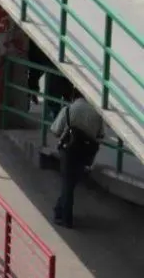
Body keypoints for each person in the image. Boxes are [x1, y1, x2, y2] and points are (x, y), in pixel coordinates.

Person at [50, 89, 103, 228]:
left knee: (67, 183)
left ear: (74, 96)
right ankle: (58, 210)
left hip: (68, 151)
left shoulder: (68, 110)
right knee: (71, 183)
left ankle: (66, 218)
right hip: (85, 153)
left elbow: (55, 130)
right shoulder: (97, 114)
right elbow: (100, 135)